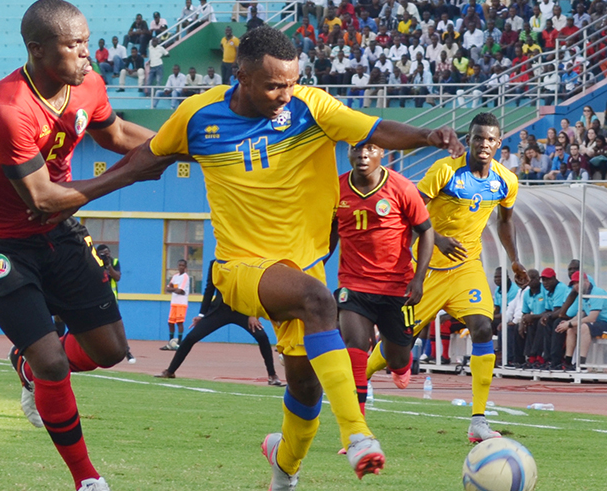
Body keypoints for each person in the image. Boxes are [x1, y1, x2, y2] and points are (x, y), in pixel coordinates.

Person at [99, 25, 463, 488]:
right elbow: (144, 161)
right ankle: (358, 435)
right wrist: (74, 195)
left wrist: (427, 135)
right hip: (240, 267)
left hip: (299, 272)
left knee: (305, 390)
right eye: (274, 85)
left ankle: (283, 469)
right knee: (319, 299)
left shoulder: (311, 107)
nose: (285, 94)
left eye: (291, 82)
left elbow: (376, 129)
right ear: (242, 76)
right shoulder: (198, 114)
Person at [0, 2, 160, 490]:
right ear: (37, 50)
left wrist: (189, 146)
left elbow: (119, 134)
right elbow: (42, 198)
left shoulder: (87, 84)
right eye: (74, 45)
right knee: (53, 360)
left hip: (56, 231)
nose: (89, 54)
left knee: (109, 351)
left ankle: (25, 366)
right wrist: (128, 174)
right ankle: (87, 480)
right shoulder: (9, 109)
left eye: (87, 40)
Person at [367, 112, 526, 443]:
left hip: (466, 268)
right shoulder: (444, 171)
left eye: (490, 139)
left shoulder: (506, 181)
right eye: (478, 137)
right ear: (469, 140)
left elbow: (505, 221)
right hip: (424, 268)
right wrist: (436, 239)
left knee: (483, 327)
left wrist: (515, 261)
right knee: (399, 347)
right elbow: (412, 213)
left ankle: (478, 421)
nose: (484, 144)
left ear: (499, 144)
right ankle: (357, 381)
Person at [334, 142, 434, 418]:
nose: (362, 153)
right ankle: (357, 427)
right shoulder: (336, 188)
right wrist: (315, 269)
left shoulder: (402, 188)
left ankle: (402, 365)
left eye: (370, 148)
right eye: (356, 148)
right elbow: (330, 233)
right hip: (353, 285)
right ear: (349, 153)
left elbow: (426, 231)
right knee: (355, 347)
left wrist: (419, 278)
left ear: (382, 153)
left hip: (396, 288)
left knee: (397, 357)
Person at [156, 260, 284, 386]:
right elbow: (209, 289)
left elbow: (251, 289)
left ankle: (272, 376)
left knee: (262, 337)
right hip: (219, 310)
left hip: (242, 309)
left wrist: (253, 314)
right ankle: (170, 371)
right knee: (191, 337)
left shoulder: (243, 262)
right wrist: (201, 315)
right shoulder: (215, 264)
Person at [555, 271, 607, 371]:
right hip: (599, 323)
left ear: (586, 281)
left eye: (578, 282)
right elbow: (579, 315)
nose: (576, 286)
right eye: (574, 284)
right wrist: (567, 324)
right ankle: (568, 362)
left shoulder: (597, 293)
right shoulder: (582, 295)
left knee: (584, 327)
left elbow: (592, 318)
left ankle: (581, 364)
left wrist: (569, 323)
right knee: (571, 329)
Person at [96, 244, 134, 363]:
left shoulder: (115, 262)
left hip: (112, 299)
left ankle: (126, 351)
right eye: (103, 253)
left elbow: (117, 277)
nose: (106, 255)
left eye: (107, 252)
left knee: (116, 326)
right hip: (96, 299)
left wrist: (108, 265)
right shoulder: (94, 262)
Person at [163, 259, 190, 349]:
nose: (181, 267)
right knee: (170, 323)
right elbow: (167, 288)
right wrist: (176, 289)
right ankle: (170, 343)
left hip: (181, 303)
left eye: (183, 265)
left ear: (185, 267)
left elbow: (181, 291)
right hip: (174, 302)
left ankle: (179, 343)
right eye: (179, 265)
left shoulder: (185, 277)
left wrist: (174, 289)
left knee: (179, 322)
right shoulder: (175, 276)